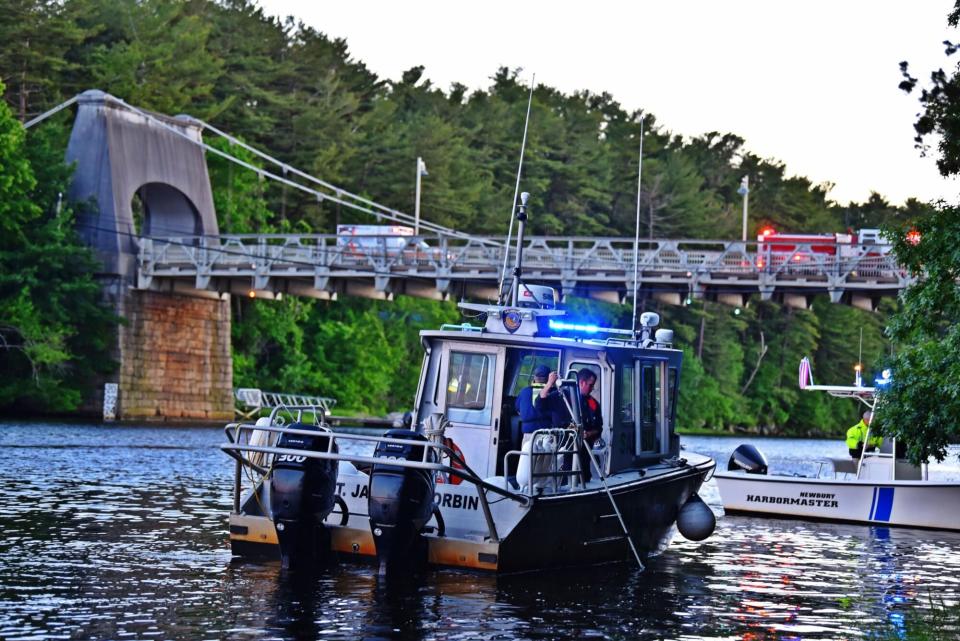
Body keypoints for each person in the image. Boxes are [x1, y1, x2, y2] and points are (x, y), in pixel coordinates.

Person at [515, 364, 563, 443]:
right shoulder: (554, 393)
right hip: (547, 436)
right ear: (549, 378)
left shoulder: (524, 392)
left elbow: (518, 411)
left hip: (528, 436)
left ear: (534, 378)